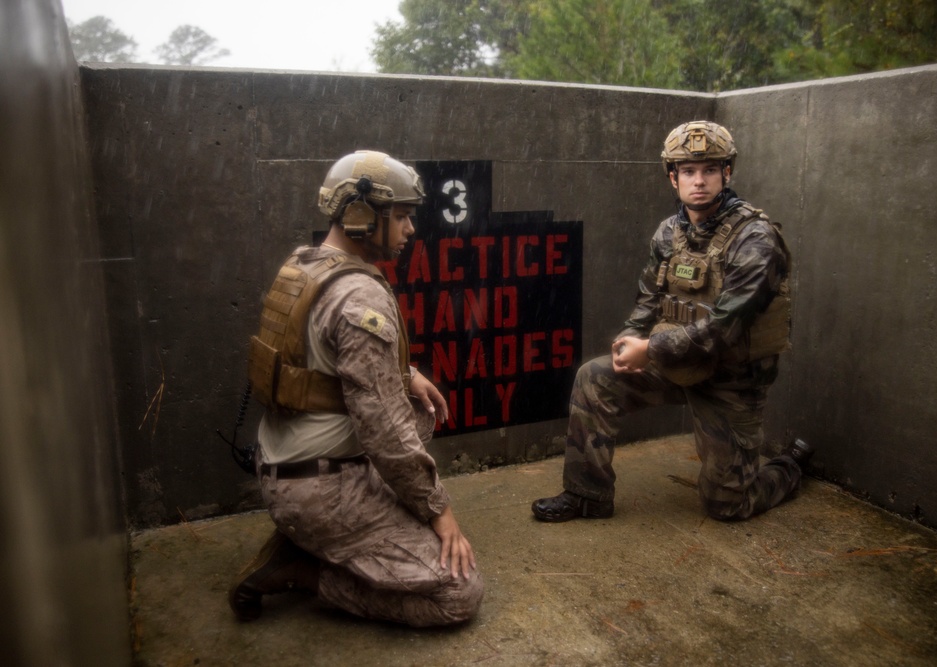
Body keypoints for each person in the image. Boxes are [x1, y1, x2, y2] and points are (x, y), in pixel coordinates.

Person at [229, 150, 484, 626]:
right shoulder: (359, 296)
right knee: (458, 593)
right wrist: (440, 512)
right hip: (321, 490)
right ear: (361, 215)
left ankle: (308, 535)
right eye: (403, 217)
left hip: (283, 465)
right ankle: (305, 570)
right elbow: (385, 432)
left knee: (420, 412)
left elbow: (320, 358)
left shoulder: (307, 264)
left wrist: (406, 374)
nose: (411, 230)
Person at [532, 121, 814, 523]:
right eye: (687, 171)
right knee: (594, 378)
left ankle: (788, 467)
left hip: (731, 380)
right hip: (673, 361)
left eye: (710, 170)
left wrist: (649, 350)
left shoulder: (756, 239)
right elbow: (649, 300)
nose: (698, 181)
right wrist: (631, 338)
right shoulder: (669, 232)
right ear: (673, 177)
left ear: (726, 173)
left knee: (726, 505)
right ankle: (587, 495)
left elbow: (724, 328)